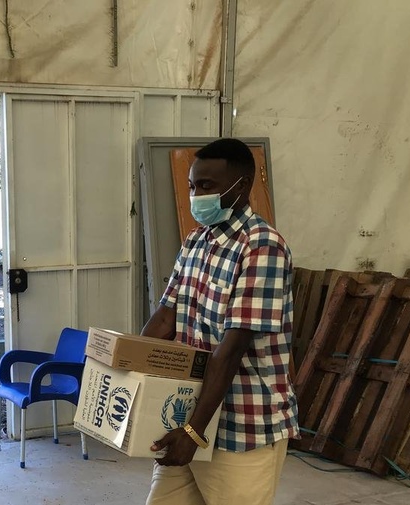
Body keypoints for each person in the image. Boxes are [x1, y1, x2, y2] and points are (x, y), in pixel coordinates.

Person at [140, 138, 298, 505]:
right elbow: (164, 319)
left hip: (241, 426)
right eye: (192, 186)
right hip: (186, 412)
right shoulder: (195, 242)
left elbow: (230, 351)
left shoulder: (262, 247)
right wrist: (128, 375)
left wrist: (194, 433)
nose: (196, 196)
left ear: (242, 186)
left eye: (207, 186)